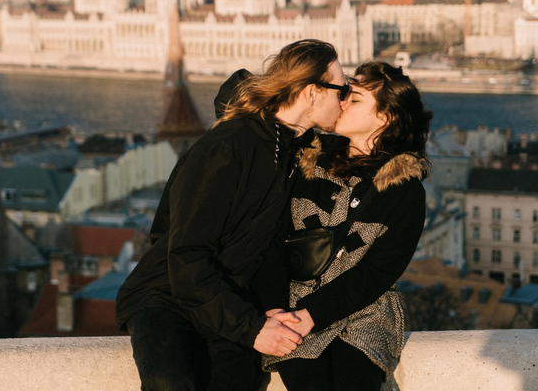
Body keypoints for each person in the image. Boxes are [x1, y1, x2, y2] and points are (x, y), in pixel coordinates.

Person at [115, 39, 351, 391]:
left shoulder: (289, 150)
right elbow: (185, 255)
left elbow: (268, 245)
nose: (345, 100)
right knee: (172, 384)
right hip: (167, 297)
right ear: (312, 92)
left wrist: (268, 310)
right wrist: (251, 328)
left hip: (228, 301)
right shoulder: (228, 148)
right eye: (342, 90)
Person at [261, 61, 433, 391]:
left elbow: (377, 273)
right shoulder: (306, 162)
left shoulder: (404, 190)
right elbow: (271, 242)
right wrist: (276, 310)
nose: (340, 102)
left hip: (363, 315)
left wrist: (312, 315)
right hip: (294, 307)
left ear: (385, 117)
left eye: (354, 100)